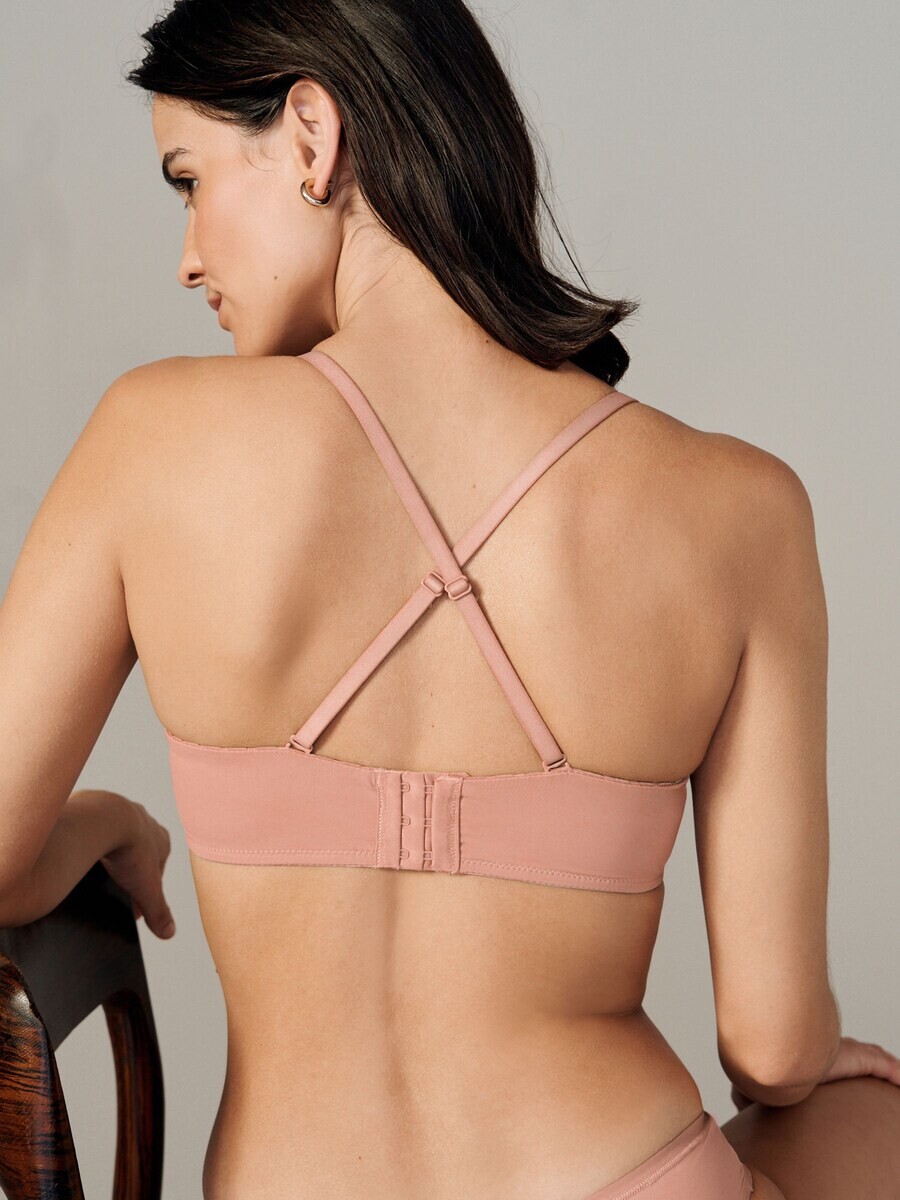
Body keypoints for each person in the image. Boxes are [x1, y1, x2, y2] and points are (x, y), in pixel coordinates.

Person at [0, 1, 897, 1197]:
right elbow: (773, 1049)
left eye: (190, 180)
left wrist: (105, 823)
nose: (189, 257)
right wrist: (823, 1064)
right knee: (865, 1121)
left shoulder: (149, 441)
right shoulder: (744, 508)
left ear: (312, 135)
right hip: (624, 1172)